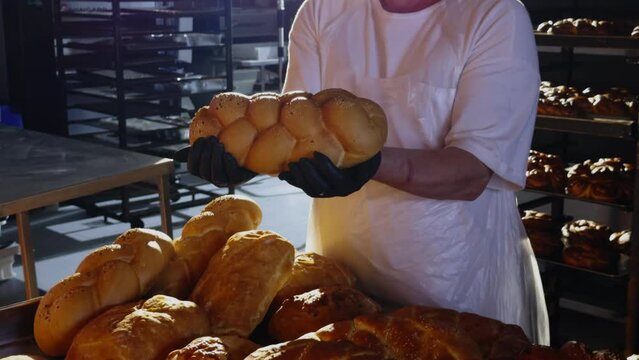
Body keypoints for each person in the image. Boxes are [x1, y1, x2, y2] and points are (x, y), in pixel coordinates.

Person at [188, 0, 549, 344]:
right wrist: (245, 161)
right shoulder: (322, 9)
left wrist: (371, 163)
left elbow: (472, 172)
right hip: (341, 281)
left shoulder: (494, 15)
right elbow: (293, 132)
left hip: (455, 281)